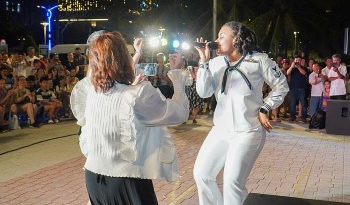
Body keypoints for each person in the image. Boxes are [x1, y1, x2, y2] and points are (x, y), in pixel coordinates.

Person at [70, 31, 189, 204]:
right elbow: (179, 112)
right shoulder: (138, 94)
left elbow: (114, 79)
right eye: (126, 53)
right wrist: (177, 75)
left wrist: (136, 59)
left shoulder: (91, 91)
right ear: (122, 59)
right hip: (125, 179)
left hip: (93, 178)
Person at [193, 21, 289, 205]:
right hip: (221, 130)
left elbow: (281, 86)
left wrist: (265, 108)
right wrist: (203, 63)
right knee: (202, 174)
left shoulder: (258, 59)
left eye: (222, 36)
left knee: (232, 183)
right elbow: (203, 92)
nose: (216, 40)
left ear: (236, 38)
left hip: (248, 131)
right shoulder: (214, 63)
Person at [287, 55, 308, 123]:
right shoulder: (292, 68)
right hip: (293, 89)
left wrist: (298, 67)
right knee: (292, 104)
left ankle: (303, 117)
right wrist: (291, 66)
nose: (297, 62)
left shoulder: (304, 68)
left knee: (303, 104)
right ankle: (292, 117)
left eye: (298, 60)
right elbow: (287, 73)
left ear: (301, 61)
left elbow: (304, 73)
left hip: (301, 89)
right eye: (296, 60)